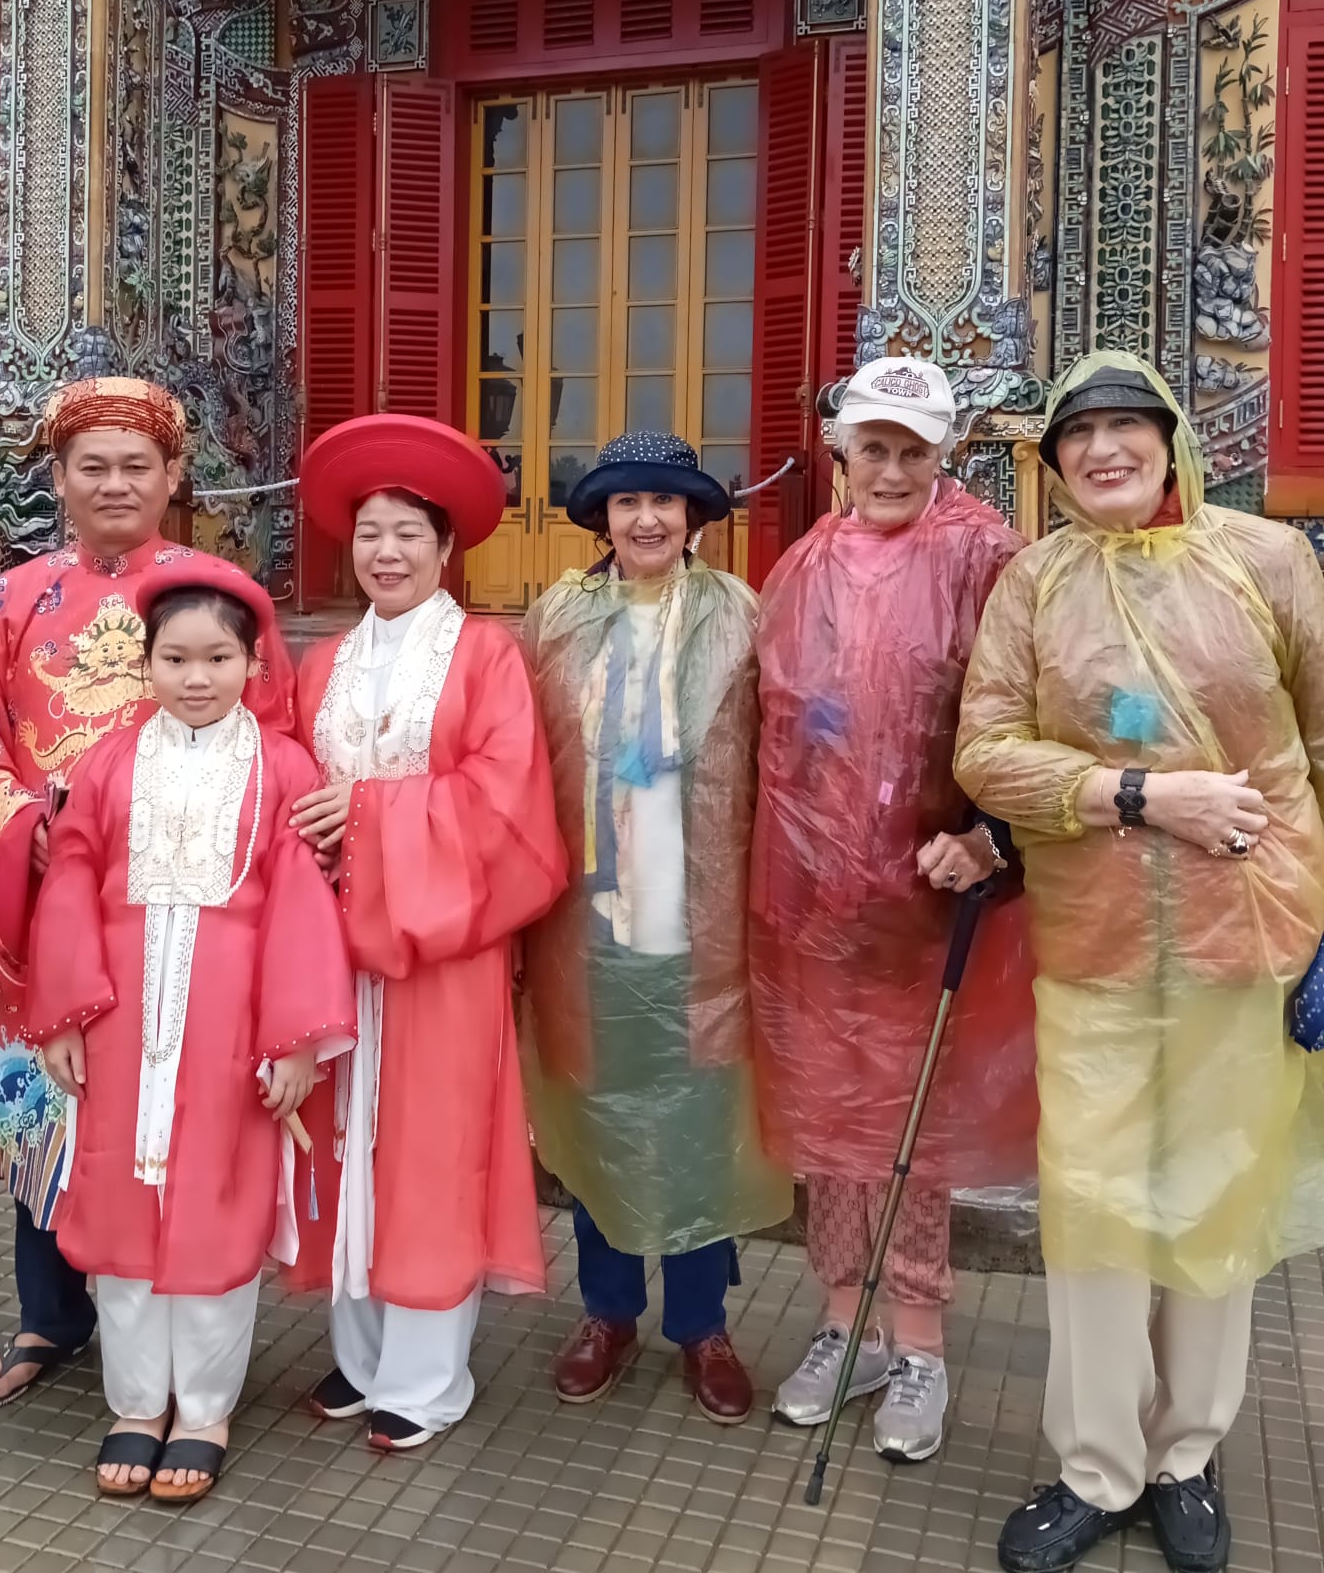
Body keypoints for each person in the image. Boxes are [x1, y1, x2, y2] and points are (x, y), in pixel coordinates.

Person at [955, 351, 1324, 1573]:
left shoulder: (1270, 560)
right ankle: (1096, 1466)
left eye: (1127, 425)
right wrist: (1136, 794)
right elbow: (985, 753)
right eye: (1078, 434)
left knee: (1219, 1199)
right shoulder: (1033, 583)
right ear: (1053, 463)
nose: (1103, 449)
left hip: (1250, 935)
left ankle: (1186, 1456)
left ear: (1172, 440)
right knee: (1094, 1207)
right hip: (1096, 945)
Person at [0, 375, 295, 1411]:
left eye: (138, 465)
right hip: (51, 890)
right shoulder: (9, 600)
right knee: (46, 1100)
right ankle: (50, 1314)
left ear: (175, 475)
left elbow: (271, 735)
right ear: (57, 478)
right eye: (91, 466)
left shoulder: (219, 593)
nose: (115, 484)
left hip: (189, 910)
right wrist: (24, 820)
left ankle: (177, 1319)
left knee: (179, 1110)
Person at [750, 358, 1038, 1462]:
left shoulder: (985, 557)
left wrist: (989, 837)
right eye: (874, 446)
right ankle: (844, 1323)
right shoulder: (805, 565)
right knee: (834, 1127)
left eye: (914, 450)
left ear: (944, 455)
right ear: (841, 452)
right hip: (817, 904)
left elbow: (1025, 707)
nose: (891, 469)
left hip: (928, 899)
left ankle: (918, 1341)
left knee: (910, 1125)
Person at [28, 560, 355, 1503]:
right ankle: (136, 1403)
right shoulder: (108, 763)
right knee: (123, 1200)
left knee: (217, 1201)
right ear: (147, 664)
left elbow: (302, 904)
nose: (197, 676)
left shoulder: (285, 767)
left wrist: (293, 1039)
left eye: (218, 657)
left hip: (232, 1022)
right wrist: (64, 1016)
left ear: (254, 662)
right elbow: (71, 882)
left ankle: (204, 1410)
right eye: (175, 658)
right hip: (121, 1021)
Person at [285, 414, 567, 1453]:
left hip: (447, 943)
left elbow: (505, 802)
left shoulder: (487, 655)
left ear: (447, 549)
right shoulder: (323, 663)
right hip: (335, 941)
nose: (387, 552)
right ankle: (361, 1356)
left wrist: (365, 815)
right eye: (370, 532)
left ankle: (426, 1375)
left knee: (432, 1147)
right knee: (347, 1138)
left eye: (409, 533)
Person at [521, 432, 791, 1424]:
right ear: (603, 516)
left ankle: (702, 1322)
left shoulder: (741, 614)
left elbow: (785, 749)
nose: (645, 519)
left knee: (698, 1122)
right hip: (586, 921)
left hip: (705, 916)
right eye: (627, 502)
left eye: (664, 502)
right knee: (599, 1112)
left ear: (693, 517)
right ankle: (607, 1312)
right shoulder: (555, 618)